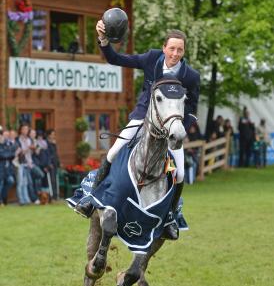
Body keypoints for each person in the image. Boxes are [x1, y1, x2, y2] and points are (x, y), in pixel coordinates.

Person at [75, 18, 200, 240]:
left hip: (172, 128)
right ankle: (91, 199)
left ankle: (171, 216)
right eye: (171, 48)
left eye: (180, 50)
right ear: (164, 48)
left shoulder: (191, 76)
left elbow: (191, 110)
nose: (175, 53)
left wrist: (180, 129)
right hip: (143, 118)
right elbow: (116, 59)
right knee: (114, 152)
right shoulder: (152, 58)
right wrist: (103, 40)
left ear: (184, 51)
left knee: (179, 173)